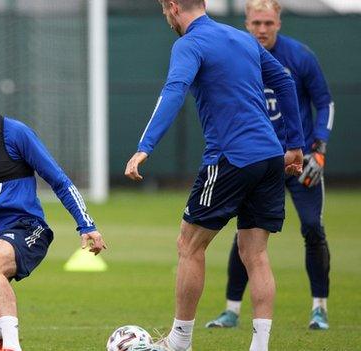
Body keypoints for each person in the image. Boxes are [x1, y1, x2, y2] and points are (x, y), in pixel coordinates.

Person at [124, 0, 305, 350]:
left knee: (189, 245)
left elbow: (174, 90)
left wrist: (145, 145)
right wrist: (294, 143)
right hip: (270, 156)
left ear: (174, 7)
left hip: (231, 157)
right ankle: (260, 346)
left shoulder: (190, 43)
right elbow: (284, 82)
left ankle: (179, 342)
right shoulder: (242, 38)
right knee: (256, 254)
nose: (167, 18)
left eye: (165, 11)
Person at [0, 68, 107, 351]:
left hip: (26, 229)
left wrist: (86, 225)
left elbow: (59, 180)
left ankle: (12, 347)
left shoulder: (15, 133)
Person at [205, 0, 335, 331]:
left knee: (311, 228)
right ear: (246, 23)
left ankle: (319, 308)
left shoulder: (300, 56)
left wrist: (317, 147)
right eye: (256, 23)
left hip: (300, 160)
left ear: (278, 22)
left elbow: (325, 102)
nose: (262, 29)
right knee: (244, 235)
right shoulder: (238, 54)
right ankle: (231, 310)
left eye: (268, 23)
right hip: (259, 162)